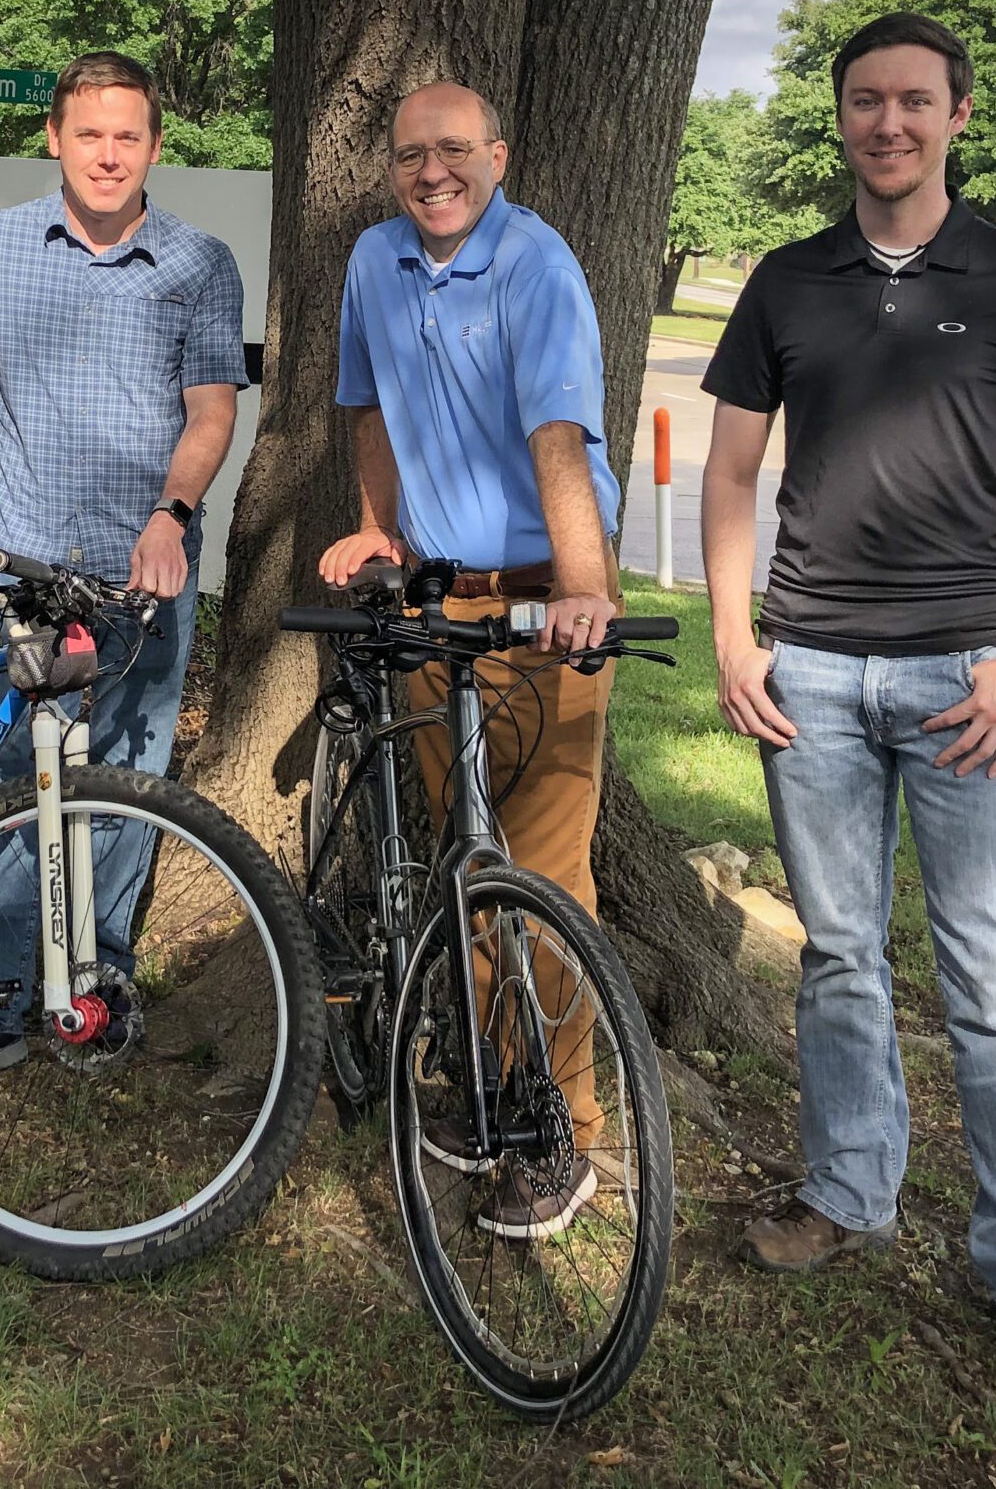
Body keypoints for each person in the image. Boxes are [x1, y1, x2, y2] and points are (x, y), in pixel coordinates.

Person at [700, 12, 996, 1408]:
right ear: (842, 118)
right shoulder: (786, 280)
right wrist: (735, 635)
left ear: (957, 116)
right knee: (839, 953)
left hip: (967, 678)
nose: (889, 122)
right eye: (866, 101)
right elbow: (730, 477)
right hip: (811, 673)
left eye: (914, 102)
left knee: (990, 976)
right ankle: (846, 1189)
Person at [0, 50, 246, 1087]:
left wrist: (170, 516)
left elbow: (211, 410)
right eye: (90, 134)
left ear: (155, 146)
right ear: (55, 139)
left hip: (149, 572)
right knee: (20, 777)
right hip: (31, 571)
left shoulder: (200, 261)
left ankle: (96, 982)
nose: (108, 154)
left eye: (128, 136)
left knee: (127, 781)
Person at [317, 80, 623, 1241]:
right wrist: (376, 524)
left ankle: (564, 1129)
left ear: (498, 154)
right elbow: (366, 406)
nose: (431, 172)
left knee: (541, 878)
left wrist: (580, 589)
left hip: (546, 605)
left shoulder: (535, 264)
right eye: (411, 154)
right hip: (441, 603)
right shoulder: (373, 261)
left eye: (453, 150)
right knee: (468, 864)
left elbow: (558, 436)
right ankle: (495, 1090)